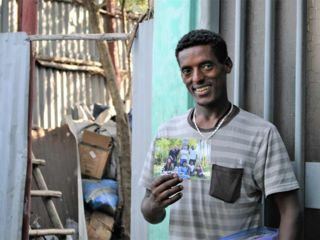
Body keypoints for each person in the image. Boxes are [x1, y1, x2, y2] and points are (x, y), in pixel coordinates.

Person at [139, 29, 300, 239]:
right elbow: (151, 213)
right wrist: (153, 205)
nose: (196, 78)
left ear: (227, 65)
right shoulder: (171, 134)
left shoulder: (260, 134)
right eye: (187, 70)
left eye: (206, 66)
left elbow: (291, 211)